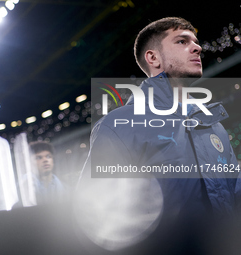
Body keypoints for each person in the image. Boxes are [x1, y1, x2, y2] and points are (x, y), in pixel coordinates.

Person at [78, 17, 241, 220]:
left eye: (196, 42)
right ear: (153, 58)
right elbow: (96, 213)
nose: (197, 48)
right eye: (182, 41)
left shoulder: (213, 125)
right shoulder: (117, 127)